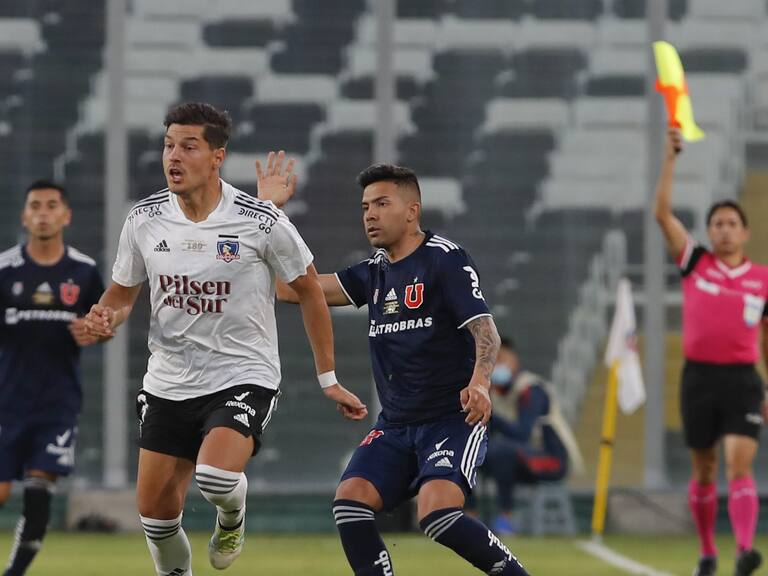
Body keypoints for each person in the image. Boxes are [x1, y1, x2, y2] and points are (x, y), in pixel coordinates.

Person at [83, 102, 367, 576]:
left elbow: (310, 291)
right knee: (154, 515)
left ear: (217, 156)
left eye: (188, 146)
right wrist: (105, 317)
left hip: (243, 373)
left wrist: (328, 377)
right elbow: (121, 292)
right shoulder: (144, 218)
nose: (173, 156)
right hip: (168, 382)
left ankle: (232, 516)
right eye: (168, 144)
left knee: (215, 477)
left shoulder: (261, 220)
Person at [262, 160, 529, 575]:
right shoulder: (374, 272)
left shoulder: (445, 260)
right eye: (365, 206)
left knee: (436, 513)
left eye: (382, 203)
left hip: (451, 420)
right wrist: (272, 214)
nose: (370, 213)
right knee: (350, 502)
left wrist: (480, 382)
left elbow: (487, 331)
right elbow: (292, 288)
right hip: (396, 424)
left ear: (412, 211)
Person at [654, 127, 768, 576]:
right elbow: (662, 214)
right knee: (704, 468)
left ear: (745, 232)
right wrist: (671, 158)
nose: (724, 230)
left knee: (740, 464)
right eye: (717, 223)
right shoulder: (695, 261)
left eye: (731, 224)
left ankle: (743, 550)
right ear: (709, 231)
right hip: (698, 378)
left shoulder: (762, 278)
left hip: (742, 380)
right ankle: (706, 551)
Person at [0, 180, 104, 576]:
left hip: (57, 405)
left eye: (51, 206)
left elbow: (105, 323)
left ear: (66, 215)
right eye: (35, 206)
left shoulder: (83, 271)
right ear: (25, 216)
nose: (43, 213)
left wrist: (97, 331)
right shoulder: (5, 270)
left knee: (40, 492)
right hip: (7, 401)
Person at [468, 336, 582, 535]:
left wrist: (491, 415)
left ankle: (506, 519)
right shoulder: (494, 392)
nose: (496, 366)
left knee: (502, 452)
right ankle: (470, 516)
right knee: (468, 453)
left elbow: (523, 434)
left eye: (501, 360)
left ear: (514, 360)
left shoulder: (531, 389)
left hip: (551, 458)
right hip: (518, 458)